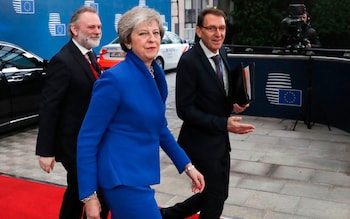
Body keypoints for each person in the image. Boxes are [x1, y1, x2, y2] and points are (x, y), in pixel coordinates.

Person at [76, 6, 205, 219]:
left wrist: (187, 166)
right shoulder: (114, 79)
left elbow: (159, 127)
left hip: (139, 172)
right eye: (143, 34)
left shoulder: (156, 74)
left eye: (156, 33)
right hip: (120, 175)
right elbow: (88, 138)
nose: (152, 39)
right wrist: (89, 196)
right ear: (128, 41)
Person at [160, 7, 255, 219]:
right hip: (199, 143)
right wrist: (224, 123)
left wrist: (235, 104)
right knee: (215, 199)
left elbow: (220, 91)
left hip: (220, 140)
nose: (218, 33)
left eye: (222, 28)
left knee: (219, 193)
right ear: (199, 31)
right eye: (211, 28)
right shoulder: (189, 62)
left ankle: (168, 215)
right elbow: (184, 110)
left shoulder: (222, 52)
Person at [35, 6, 109, 219]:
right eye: (92, 27)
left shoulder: (90, 55)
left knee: (78, 191)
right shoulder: (63, 60)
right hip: (73, 145)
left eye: (99, 27)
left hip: (90, 141)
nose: (97, 31)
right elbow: (49, 107)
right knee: (89, 190)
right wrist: (46, 151)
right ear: (75, 30)